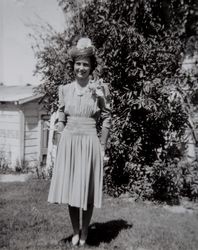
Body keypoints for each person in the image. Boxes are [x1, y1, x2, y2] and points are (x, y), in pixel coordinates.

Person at [48, 37, 111, 247]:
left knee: (88, 190)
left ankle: (85, 232)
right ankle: (75, 231)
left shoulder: (100, 88)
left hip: (90, 141)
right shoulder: (64, 89)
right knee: (71, 191)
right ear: (73, 66)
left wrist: (102, 146)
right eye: (78, 64)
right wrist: (59, 138)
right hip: (70, 142)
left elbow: (108, 117)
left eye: (85, 64)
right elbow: (61, 116)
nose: (81, 68)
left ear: (91, 67)